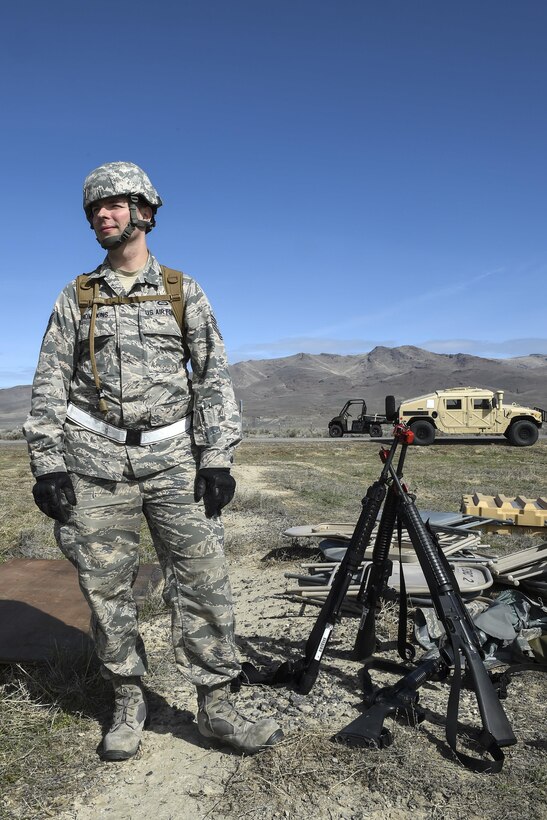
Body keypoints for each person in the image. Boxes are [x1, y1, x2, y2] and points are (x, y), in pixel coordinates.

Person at [24, 161, 283, 761]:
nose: (101, 216)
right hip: (94, 462)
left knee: (202, 582)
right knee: (106, 588)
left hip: (175, 461)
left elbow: (214, 374)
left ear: (145, 211)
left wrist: (216, 457)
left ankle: (217, 706)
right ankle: (128, 701)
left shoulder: (181, 289)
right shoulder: (77, 296)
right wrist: (49, 464)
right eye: (93, 209)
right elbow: (49, 383)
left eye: (112, 205)